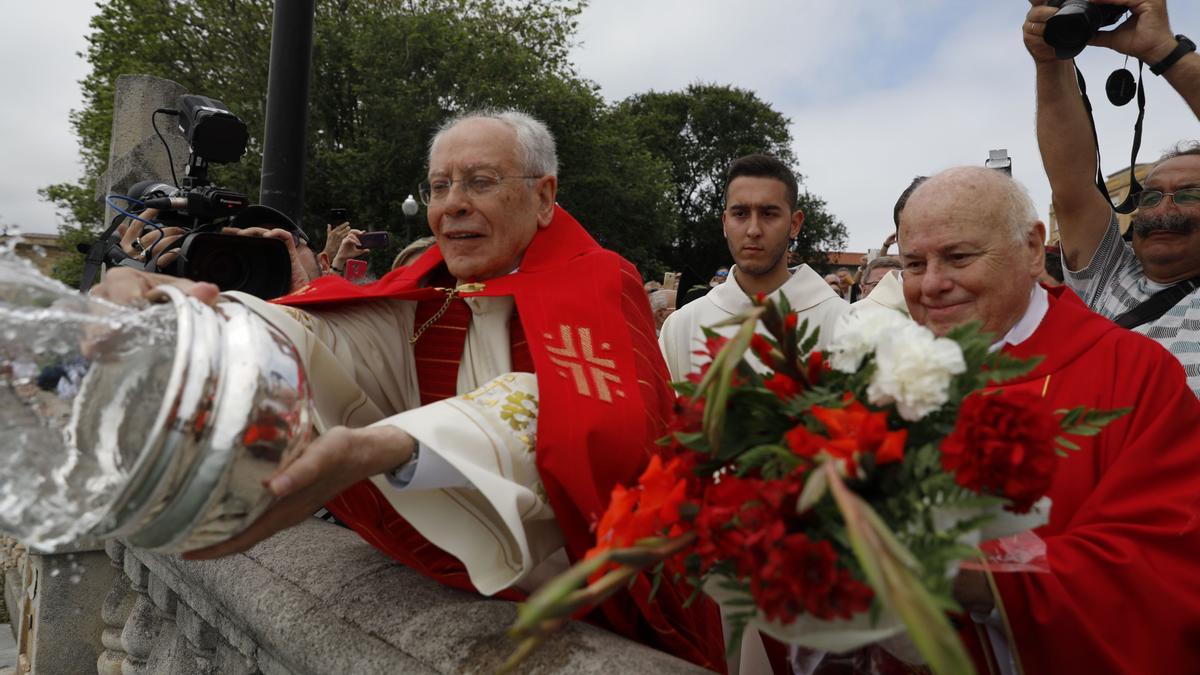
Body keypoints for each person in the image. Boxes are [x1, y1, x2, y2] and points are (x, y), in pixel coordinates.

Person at [89, 109, 724, 671]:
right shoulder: (429, 285)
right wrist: (184, 320)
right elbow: (327, 341)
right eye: (441, 186)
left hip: (589, 598)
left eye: (480, 181)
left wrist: (390, 448)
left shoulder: (598, 282)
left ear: (543, 196)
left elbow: (592, 426)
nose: (454, 204)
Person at [895, 165, 1200, 674]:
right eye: (913, 263)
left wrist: (980, 582)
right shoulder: (888, 381)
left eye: (958, 257)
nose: (932, 285)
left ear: (1033, 249)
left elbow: (1161, 563)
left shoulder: (1135, 375)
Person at [1025, 0, 1200, 395]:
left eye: (1189, 194)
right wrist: (1051, 60)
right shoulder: (1106, 278)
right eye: (1151, 197)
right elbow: (1072, 185)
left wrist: (1164, 51)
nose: (1163, 211)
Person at [659, 154, 848, 380]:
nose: (753, 229)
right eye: (740, 214)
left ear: (795, 224)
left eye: (768, 214)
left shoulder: (844, 323)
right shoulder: (682, 326)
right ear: (725, 223)